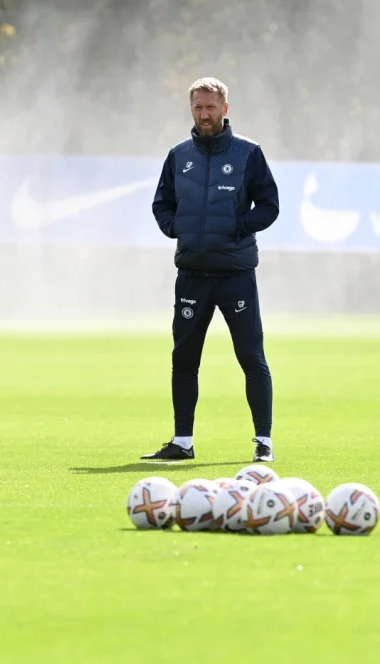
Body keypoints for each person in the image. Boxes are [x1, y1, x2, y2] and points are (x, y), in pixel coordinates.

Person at [140, 77, 280, 463]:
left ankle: (263, 442)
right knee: (184, 360)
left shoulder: (248, 153)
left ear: (225, 109)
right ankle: (182, 442)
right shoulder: (178, 155)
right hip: (192, 275)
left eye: (211, 107)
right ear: (192, 109)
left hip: (235, 274)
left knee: (251, 357)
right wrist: (176, 228)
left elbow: (269, 205)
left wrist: (238, 227)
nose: (204, 114)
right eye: (198, 107)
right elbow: (161, 204)